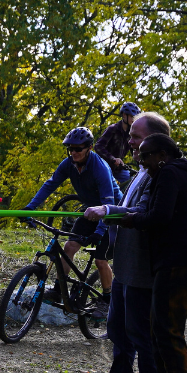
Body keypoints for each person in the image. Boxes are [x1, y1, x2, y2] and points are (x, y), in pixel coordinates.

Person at [83, 112, 168, 373]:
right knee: (117, 329)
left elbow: (141, 215)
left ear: (156, 142)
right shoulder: (139, 174)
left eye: (136, 137)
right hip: (124, 266)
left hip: (142, 269)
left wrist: (107, 210)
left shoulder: (158, 176)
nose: (130, 142)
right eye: (130, 136)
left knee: (140, 332)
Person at [120, 133, 187, 373]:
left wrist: (132, 219)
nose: (141, 161)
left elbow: (160, 216)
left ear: (162, 155)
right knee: (161, 326)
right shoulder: (181, 173)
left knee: (166, 327)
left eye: (146, 155)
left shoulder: (170, 173)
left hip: (178, 258)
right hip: (179, 257)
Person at [24, 127, 119, 302]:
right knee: (69, 247)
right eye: (70, 149)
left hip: (111, 214)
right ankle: (59, 290)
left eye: (78, 149)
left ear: (89, 148)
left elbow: (109, 203)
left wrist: (99, 231)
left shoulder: (100, 168)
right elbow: (50, 185)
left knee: (100, 259)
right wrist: (30, 207)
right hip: (91, 210)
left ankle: (108, 300)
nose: (73, 152)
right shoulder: (68, 164)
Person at [96, 102, 142, 185]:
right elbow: (98, 147)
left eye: (135, 117)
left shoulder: (130, 133)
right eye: (132, 116)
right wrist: (113, 159)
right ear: (124, 115)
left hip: (117, 169)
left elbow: (134, 151)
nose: (133, 119)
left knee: (134, 183)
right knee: (110, 191)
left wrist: (143, 166)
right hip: (103, 168)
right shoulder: (113, 129)